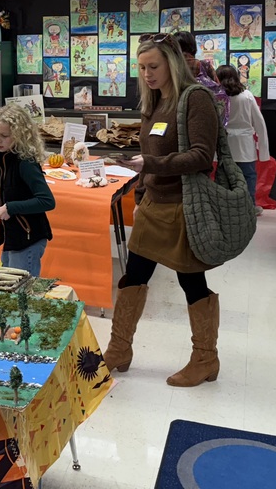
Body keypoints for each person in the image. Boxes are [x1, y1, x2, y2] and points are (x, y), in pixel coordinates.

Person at [108, 33, 221, 387]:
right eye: (141, 67)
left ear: (172, 62)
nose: (146, 74)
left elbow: (203, 155)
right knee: (133, 277)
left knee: (191, 281)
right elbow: (147, 162)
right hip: (155, 206)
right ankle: (118, 349)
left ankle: (205, 358)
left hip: (183, 207)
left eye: (153, 66)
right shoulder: (155, 102)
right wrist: (140, 199)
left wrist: (151, 163)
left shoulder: (195, 99)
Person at [0, 104, 55, 276]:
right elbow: (9, 189)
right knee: (10, 284)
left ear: (19, 135)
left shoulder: (26, 163)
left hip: (28, 239)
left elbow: (47, 201)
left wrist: (10, 208)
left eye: (4, 136)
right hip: (13, 236)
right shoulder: (4, 157)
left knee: (22, 291)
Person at [215, 64, 269, 212]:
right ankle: (249, 207)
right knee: (248, 176)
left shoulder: (216, 97)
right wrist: (264, 151)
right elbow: (259, 123)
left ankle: (226, 208)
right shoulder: (247, 96)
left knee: (225, 177)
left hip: (224, 142)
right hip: (245, 143)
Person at [173, 31, 229, 125]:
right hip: (205, 113)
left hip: (178, 113)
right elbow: (218, 87)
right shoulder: (203, 65)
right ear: (193, 46)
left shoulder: (171, 67)